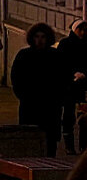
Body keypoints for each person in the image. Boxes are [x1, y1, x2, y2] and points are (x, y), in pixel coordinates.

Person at [13, 22, 71, 157]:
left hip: (51, 105)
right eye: (37, 37)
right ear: (32, 38)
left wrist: (59, 98)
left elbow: (64, 77)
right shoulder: (24, 55)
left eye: (43, 37)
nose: (39, 40)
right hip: (30, 105)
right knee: (30, 138)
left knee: (50, 140)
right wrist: (24, 96)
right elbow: (17, 78)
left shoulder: (56, 56)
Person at [58, 20, 87, 154]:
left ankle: (83, 146)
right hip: (68, 86)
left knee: (83, 117)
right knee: (69, 116)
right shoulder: (65, 43)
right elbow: (61, 64)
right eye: (80, 29)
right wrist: (72, 74)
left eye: (84, 30)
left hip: (83, 87)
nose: (83, 32)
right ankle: (69, 147)